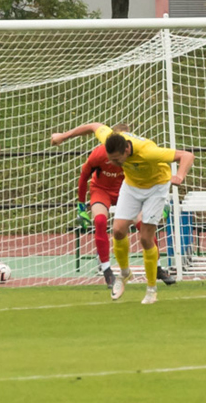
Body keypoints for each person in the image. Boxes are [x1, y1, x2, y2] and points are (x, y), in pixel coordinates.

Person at [51, 122, 194, 304]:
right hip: (131, 186)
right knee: (118, 230)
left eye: (117, 160)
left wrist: (179, 176)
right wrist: (63, 136)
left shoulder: (149, 151)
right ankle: (124, 273)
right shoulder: (110, 139)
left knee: (145, 238)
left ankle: (151, 289)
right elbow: (94, 126)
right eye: (112, 159)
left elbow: (187, 155)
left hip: (156, 188)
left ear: (127, 150)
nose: (114, 163)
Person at [76, 123, 174, 289]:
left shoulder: (138, 155)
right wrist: (80, 206)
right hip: (102, 190)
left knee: (145, 227)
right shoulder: (100, 153)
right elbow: (84, 175)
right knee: (100, 221)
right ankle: (107, 271)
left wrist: (160, 202)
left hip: (126, 190)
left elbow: (154, 176)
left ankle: (156, 267)